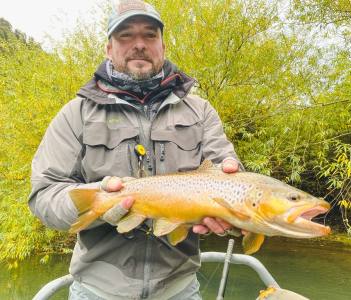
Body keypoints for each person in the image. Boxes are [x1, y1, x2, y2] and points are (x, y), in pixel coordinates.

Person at [29, 0, 241, 299]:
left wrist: (232, 215)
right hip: (97, 291)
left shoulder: (201, 112)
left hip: (180, 290)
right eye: (125, 35)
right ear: (109, 49)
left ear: (163, 47)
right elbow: (44, 195)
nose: (139, 44)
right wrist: (96, 204)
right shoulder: (76, 114)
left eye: (149, 35)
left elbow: (230, 178)